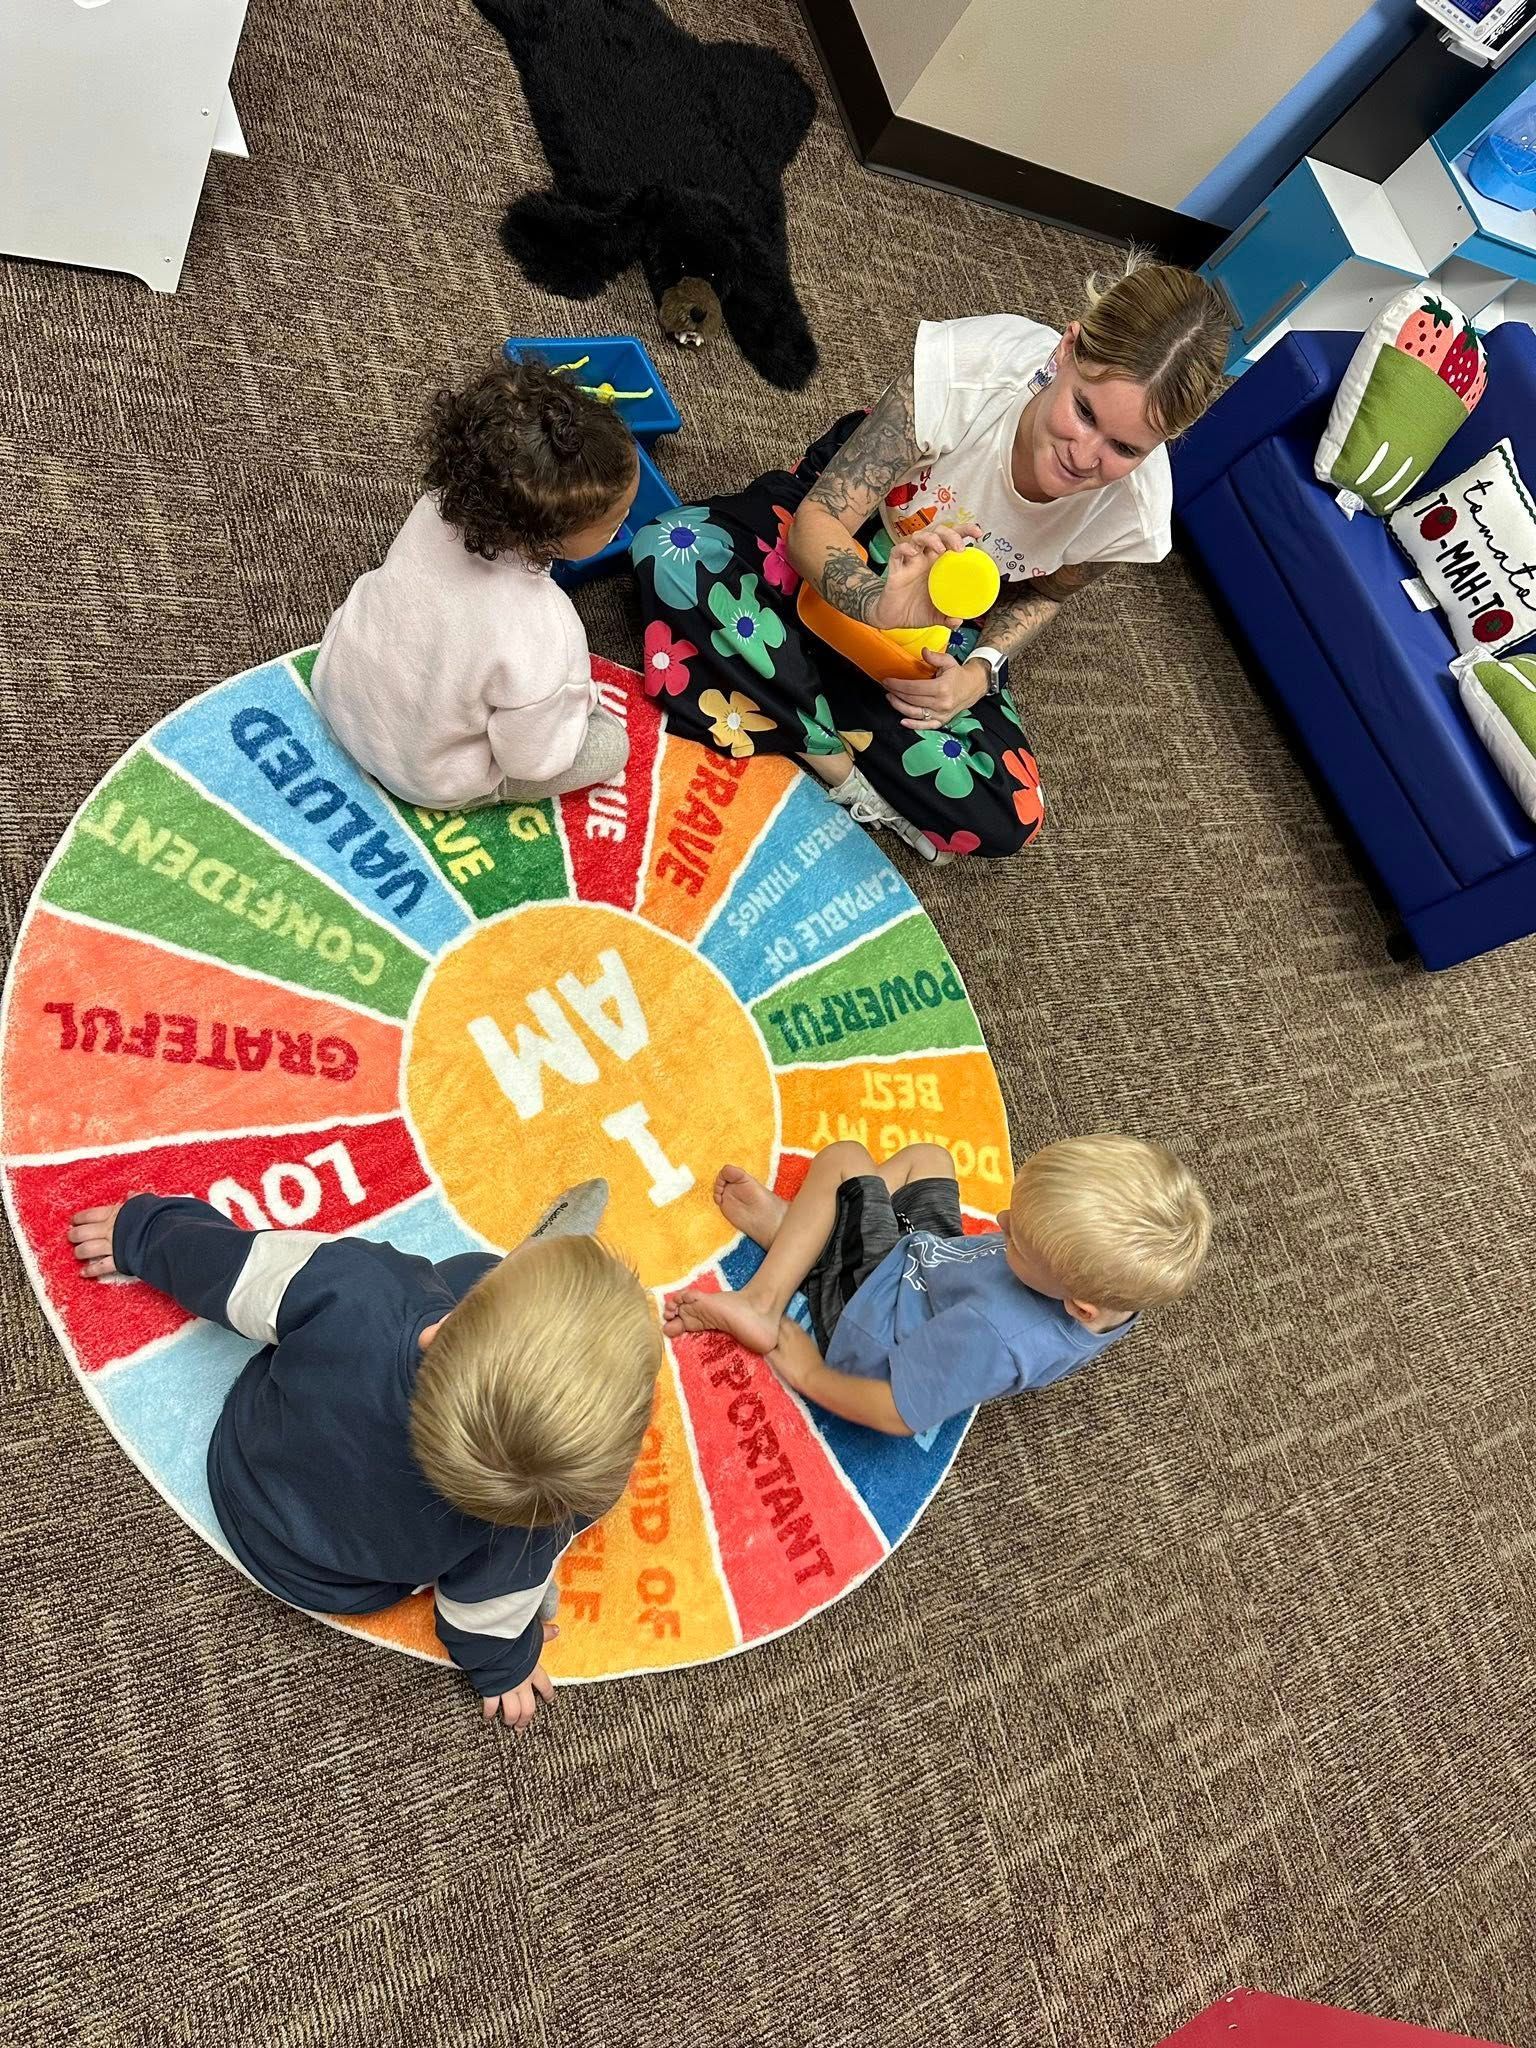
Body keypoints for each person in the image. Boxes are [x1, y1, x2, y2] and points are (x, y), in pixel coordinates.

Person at [631, 255, 1231, 862]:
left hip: (946, 606)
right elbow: (819, 521)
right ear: (1066, 350)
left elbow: (1047, 595)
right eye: (1083, 412)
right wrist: (873, 599)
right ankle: (831, 758)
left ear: (1161, 445)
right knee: (670, 551)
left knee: (1010, 814)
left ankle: (775, 684)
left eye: (1125, 447)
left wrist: (981, 672)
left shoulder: (1136, 510)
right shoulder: (970, 369)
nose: (1084, 455)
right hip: (854, 526)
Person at [66, 1181, 660, 1732]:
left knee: (468, 1271)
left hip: (244, 1470)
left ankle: (533, 1273)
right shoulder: (528, 1519)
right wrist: (504, 1664)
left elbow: (231, 1270)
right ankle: (544, 1304)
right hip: (342, 1582)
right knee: (554, 1494)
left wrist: (140, 1235)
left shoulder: (361, 1287)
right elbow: (483, 1611)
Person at [663, 1135, 1211, 1437]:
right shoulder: (1110, 1302)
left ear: (1077, 1303)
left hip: (871, 1317)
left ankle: (762, 1299)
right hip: (933, 1272)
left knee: (844, 1160)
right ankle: (809, 1235)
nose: (997, 1220)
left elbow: (895, 1411)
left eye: (1015, 1237)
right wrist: (1019, 1251)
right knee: (931, 1158)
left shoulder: (994, 1337)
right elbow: (990, 1262)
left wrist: (808, 1371)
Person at [312, 356, 637, 811]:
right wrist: (576, 710)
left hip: (337, 684)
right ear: (551, 534)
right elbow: (530, 760)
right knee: (611, 746)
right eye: (614, 522)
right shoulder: (548, 629)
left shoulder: (440, 502)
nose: (622, 525)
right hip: (425, 774)